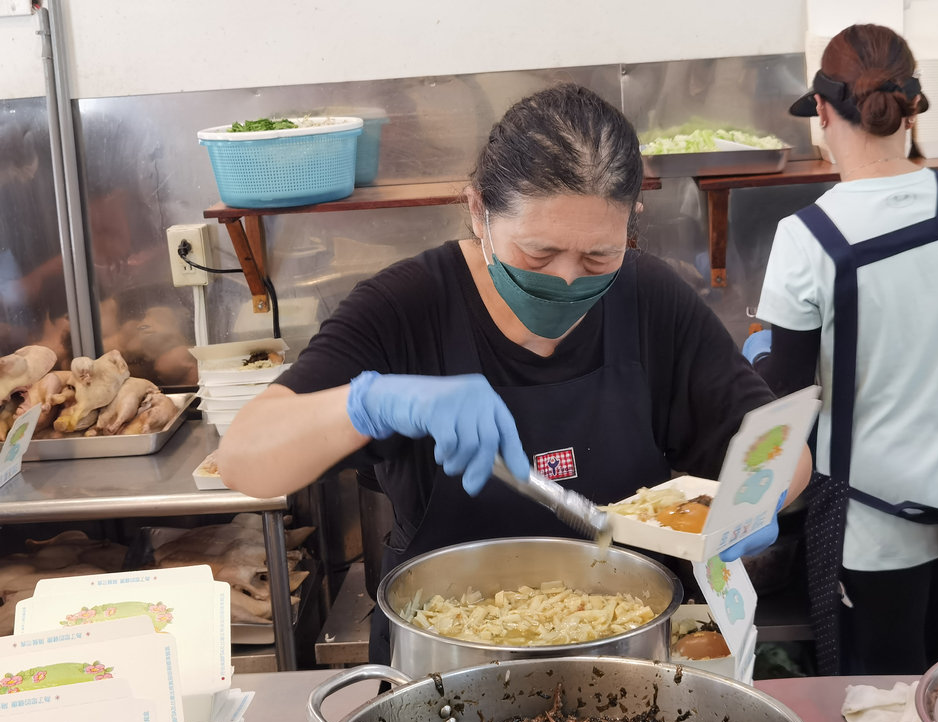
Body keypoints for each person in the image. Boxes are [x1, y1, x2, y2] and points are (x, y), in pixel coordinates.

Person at [217, 83, 812, 663]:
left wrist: (751, 504)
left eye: (598, 256)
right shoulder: (405, 306)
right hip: (447, 661)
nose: (567, 281)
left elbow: (781, 447)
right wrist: (371, 402)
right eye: (539, 255)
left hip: (624, 656)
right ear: (478, 211)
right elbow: (245, 459)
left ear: (630, 222)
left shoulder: (650, 297)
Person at [746, 24, 938, 675]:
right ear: (912, 108)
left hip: (874, 533)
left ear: (825, 114)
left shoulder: (805, 236)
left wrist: (758, 360)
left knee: (883, 711)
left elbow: (787, 411)